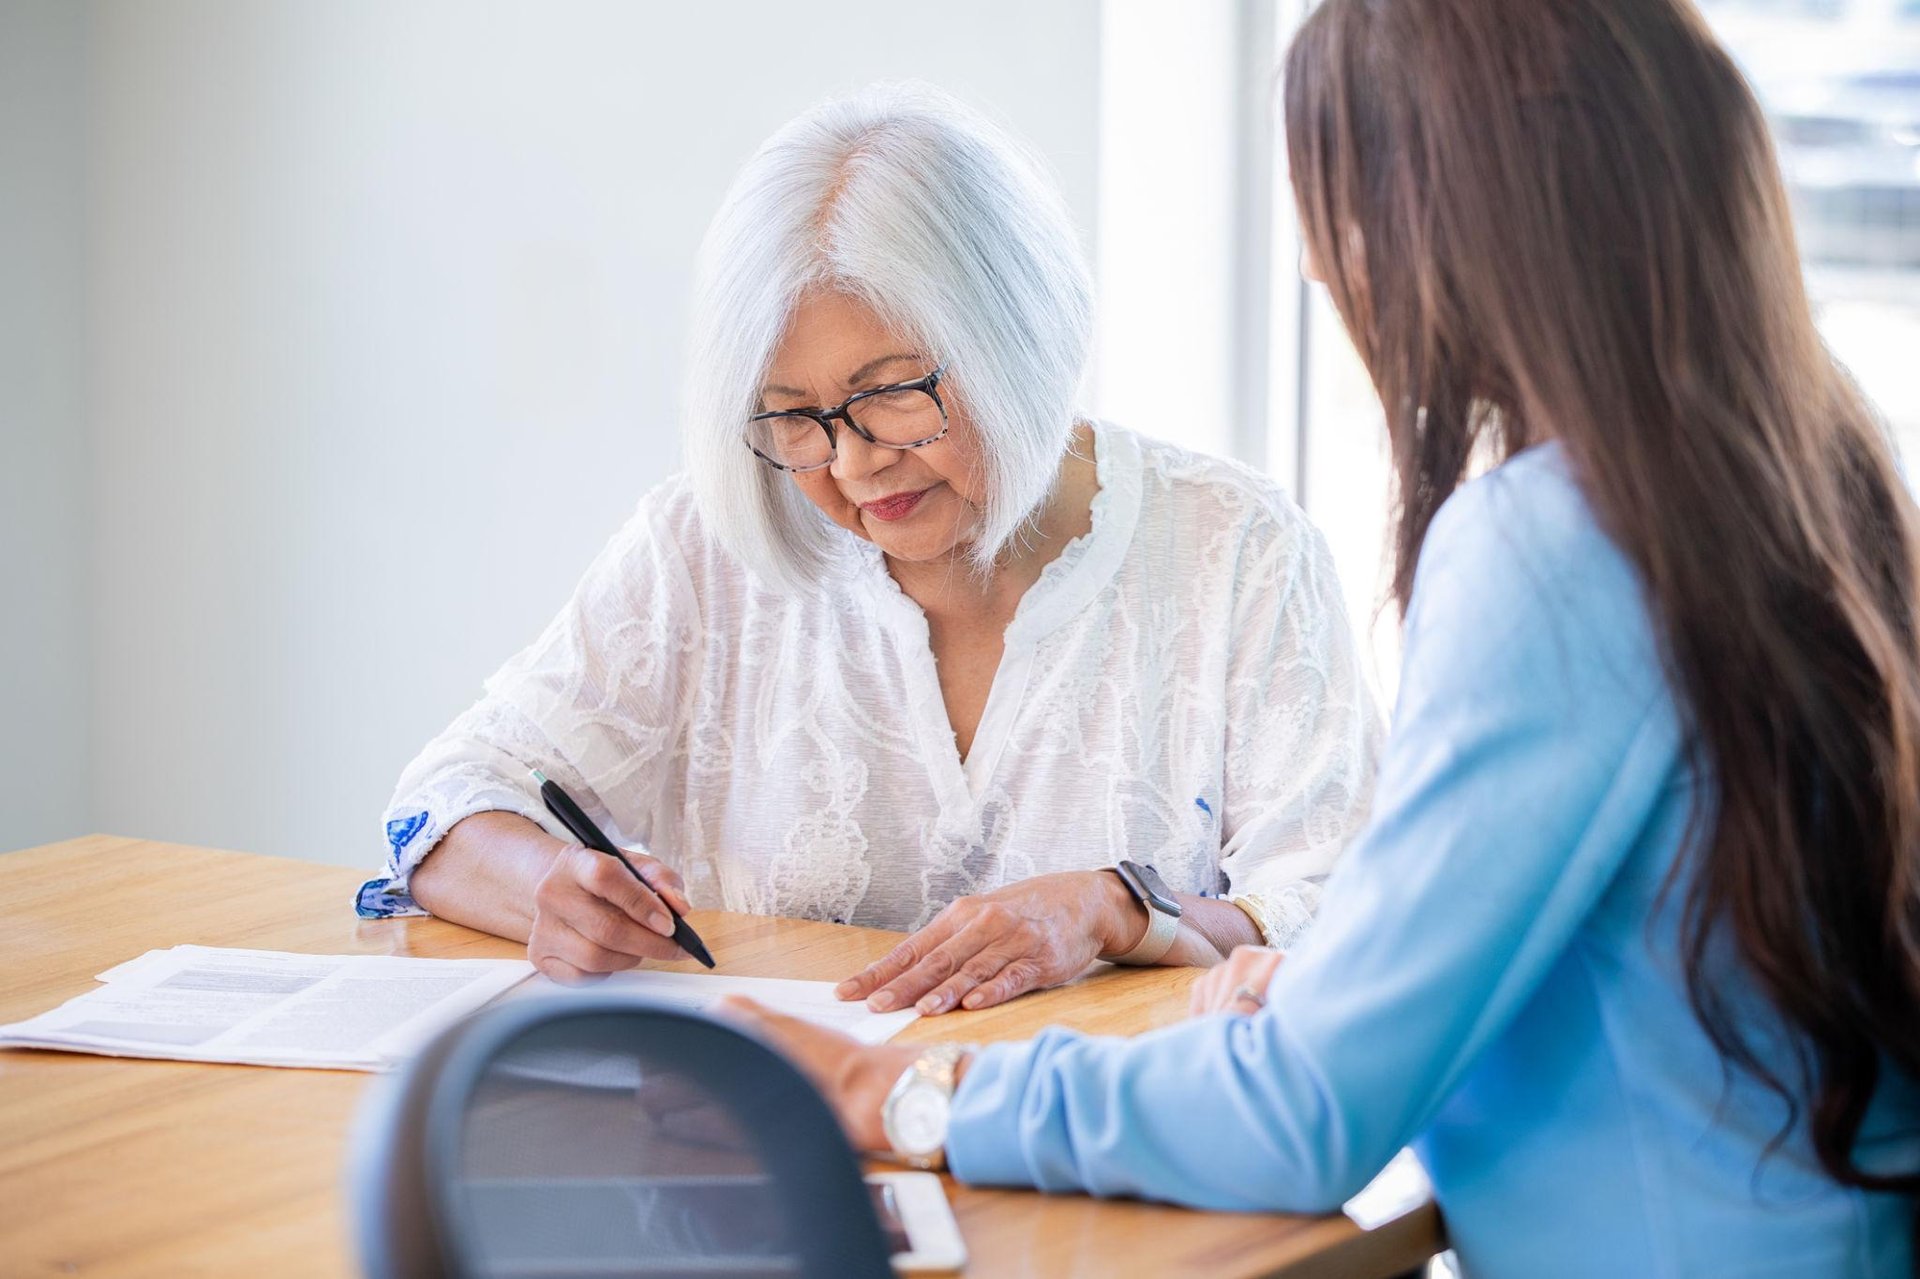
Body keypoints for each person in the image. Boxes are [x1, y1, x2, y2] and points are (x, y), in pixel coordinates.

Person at [720, 3, 1920, 1272]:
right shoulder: (1814, 478)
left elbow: (1305, 1120)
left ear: (1448, 214)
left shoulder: (1554, 550)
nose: (1312, 261)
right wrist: (1333, 1003)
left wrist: (903, 1093)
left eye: (1329, 197)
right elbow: (1643, 965)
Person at [357, 84, 1379, 1014]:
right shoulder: (705, 551)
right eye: (794, 417)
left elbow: (1340, 908)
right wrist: (548, 886)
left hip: (1106, 1156)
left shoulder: (1233, 551)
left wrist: (1122, 911)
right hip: (770, 1141)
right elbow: (445, 799)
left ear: (1019, 339)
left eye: (892, 394)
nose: (851, 465)